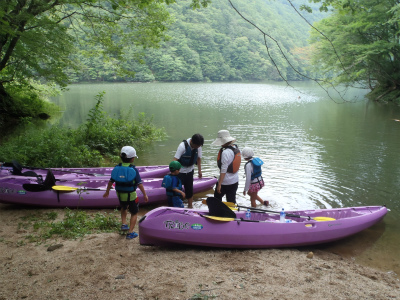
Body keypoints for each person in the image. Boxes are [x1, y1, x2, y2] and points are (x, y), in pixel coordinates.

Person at [103, 146, 149, 240]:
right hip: (131, 195)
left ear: (121, 156)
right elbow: (139, 184)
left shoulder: (117, 168)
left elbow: (111, 182)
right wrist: (145, 194)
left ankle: (124, 224)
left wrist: (107, 191)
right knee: (134, 212)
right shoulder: (134, 169)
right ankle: (130, 233)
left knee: (123, 207)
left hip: (120, 194)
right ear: (132, 159)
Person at [173, 133, 204, 208]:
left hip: (190, 171)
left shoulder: (198, 146)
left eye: (199, 146)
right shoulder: (182, 146)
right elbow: (175, 160)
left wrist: (200, 171)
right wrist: (173, 173)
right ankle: (178, 207)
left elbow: (198, 158)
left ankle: (190, 206)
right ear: (192, 142)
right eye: (197, 146)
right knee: (177, 190)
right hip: (180, 172)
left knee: (190, 190)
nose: (198, 147)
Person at [212, 130, 241, 204]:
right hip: (234, 181)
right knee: (231, 202)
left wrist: (219, 184)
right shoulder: (235, 148)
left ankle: (217, 214)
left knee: (216, 200)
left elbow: (223, 169)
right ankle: (232, 214)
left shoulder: (225, 152)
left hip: (225, 182)